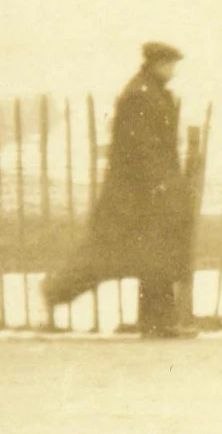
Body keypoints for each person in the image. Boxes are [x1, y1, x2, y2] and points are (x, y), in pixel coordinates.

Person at [42, 42, 196, 338]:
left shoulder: (153, 92)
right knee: (106, 256)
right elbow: (141, 147)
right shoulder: (139, 96)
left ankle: (158, 322)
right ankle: (54, 291)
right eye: (170, 64)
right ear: (155, 64)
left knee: (156, 255)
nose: (173, 71)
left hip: (148, 192)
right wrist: (161, 183)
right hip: (134, 195)